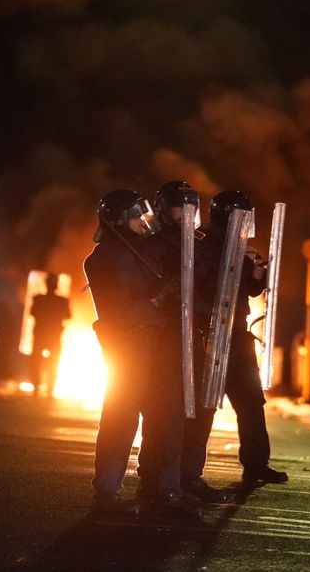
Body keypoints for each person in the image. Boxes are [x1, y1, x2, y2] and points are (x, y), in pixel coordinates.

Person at [83, 189, 195, 515]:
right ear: (118, 219)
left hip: (151, 344)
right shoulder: (102, 259)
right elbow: (120, 311)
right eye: (135, 216)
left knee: (163, 415)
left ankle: (159, 486)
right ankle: (106, 489)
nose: (141, 222)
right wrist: (159, 298)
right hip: (127, 344)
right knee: (122, 416)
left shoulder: (141, 250)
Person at [136, 180, 233, 503]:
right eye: (180, 206)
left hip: (200, 338)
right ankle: (158, 480)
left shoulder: (201, 244)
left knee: (201, 411)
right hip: (165, 340)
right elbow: (153, 296)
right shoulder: (152, 246)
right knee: (166, 412)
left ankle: (188, 477)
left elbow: (210, 290)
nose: (186, 213)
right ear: (165, 209)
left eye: (192, 206)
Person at [194, 190, 288, 485]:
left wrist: (256, 274)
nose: (248, 221)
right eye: (243, 216)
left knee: (250, 402)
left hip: (236, 334)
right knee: (203, 406)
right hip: (208, 336)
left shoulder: (236, 246)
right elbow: (203, 285)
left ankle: (256, 463)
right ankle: (189, 471)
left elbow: (245, 289)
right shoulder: (204, 246)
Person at [29, 279, 72, 396]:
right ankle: (49, 389)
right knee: (53, 362)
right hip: (53, 335)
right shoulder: (61, 301)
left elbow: (32, 313)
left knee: (37, 361)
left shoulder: (38, 299)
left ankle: (37, 388)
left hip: (41, 334)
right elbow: (68, 316)